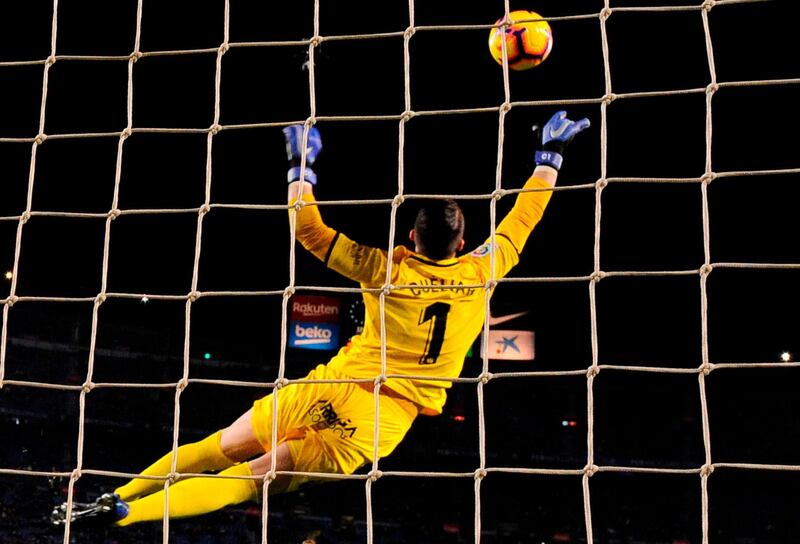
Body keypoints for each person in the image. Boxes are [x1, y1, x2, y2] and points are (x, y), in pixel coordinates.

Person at [50, 111, 589, 528]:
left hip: (334, 380)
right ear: (464, 242)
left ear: (411, 239)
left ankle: (119, 496)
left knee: (217, 447)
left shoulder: (382, 269)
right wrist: (550, 157)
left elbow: (309, 230)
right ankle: (128, 517)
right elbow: (525, 216)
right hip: (383, 415)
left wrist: (300, 168)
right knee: (246, 481)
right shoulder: (484, 269)